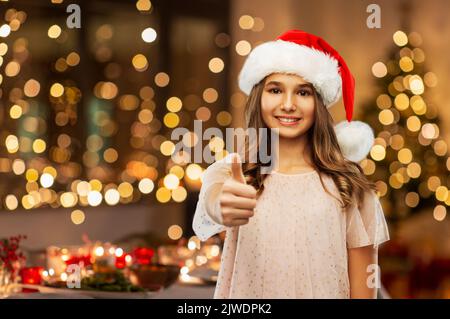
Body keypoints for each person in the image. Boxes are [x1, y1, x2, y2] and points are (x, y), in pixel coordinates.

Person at [193, 30, 390, 298]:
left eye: (303, 92)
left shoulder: (347, 184)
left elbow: (363, 286)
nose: (288, 104)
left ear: (318, 103)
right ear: (259, 98)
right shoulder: (233, 172)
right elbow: (216, 199)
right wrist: (222, 204)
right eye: (275, 90)